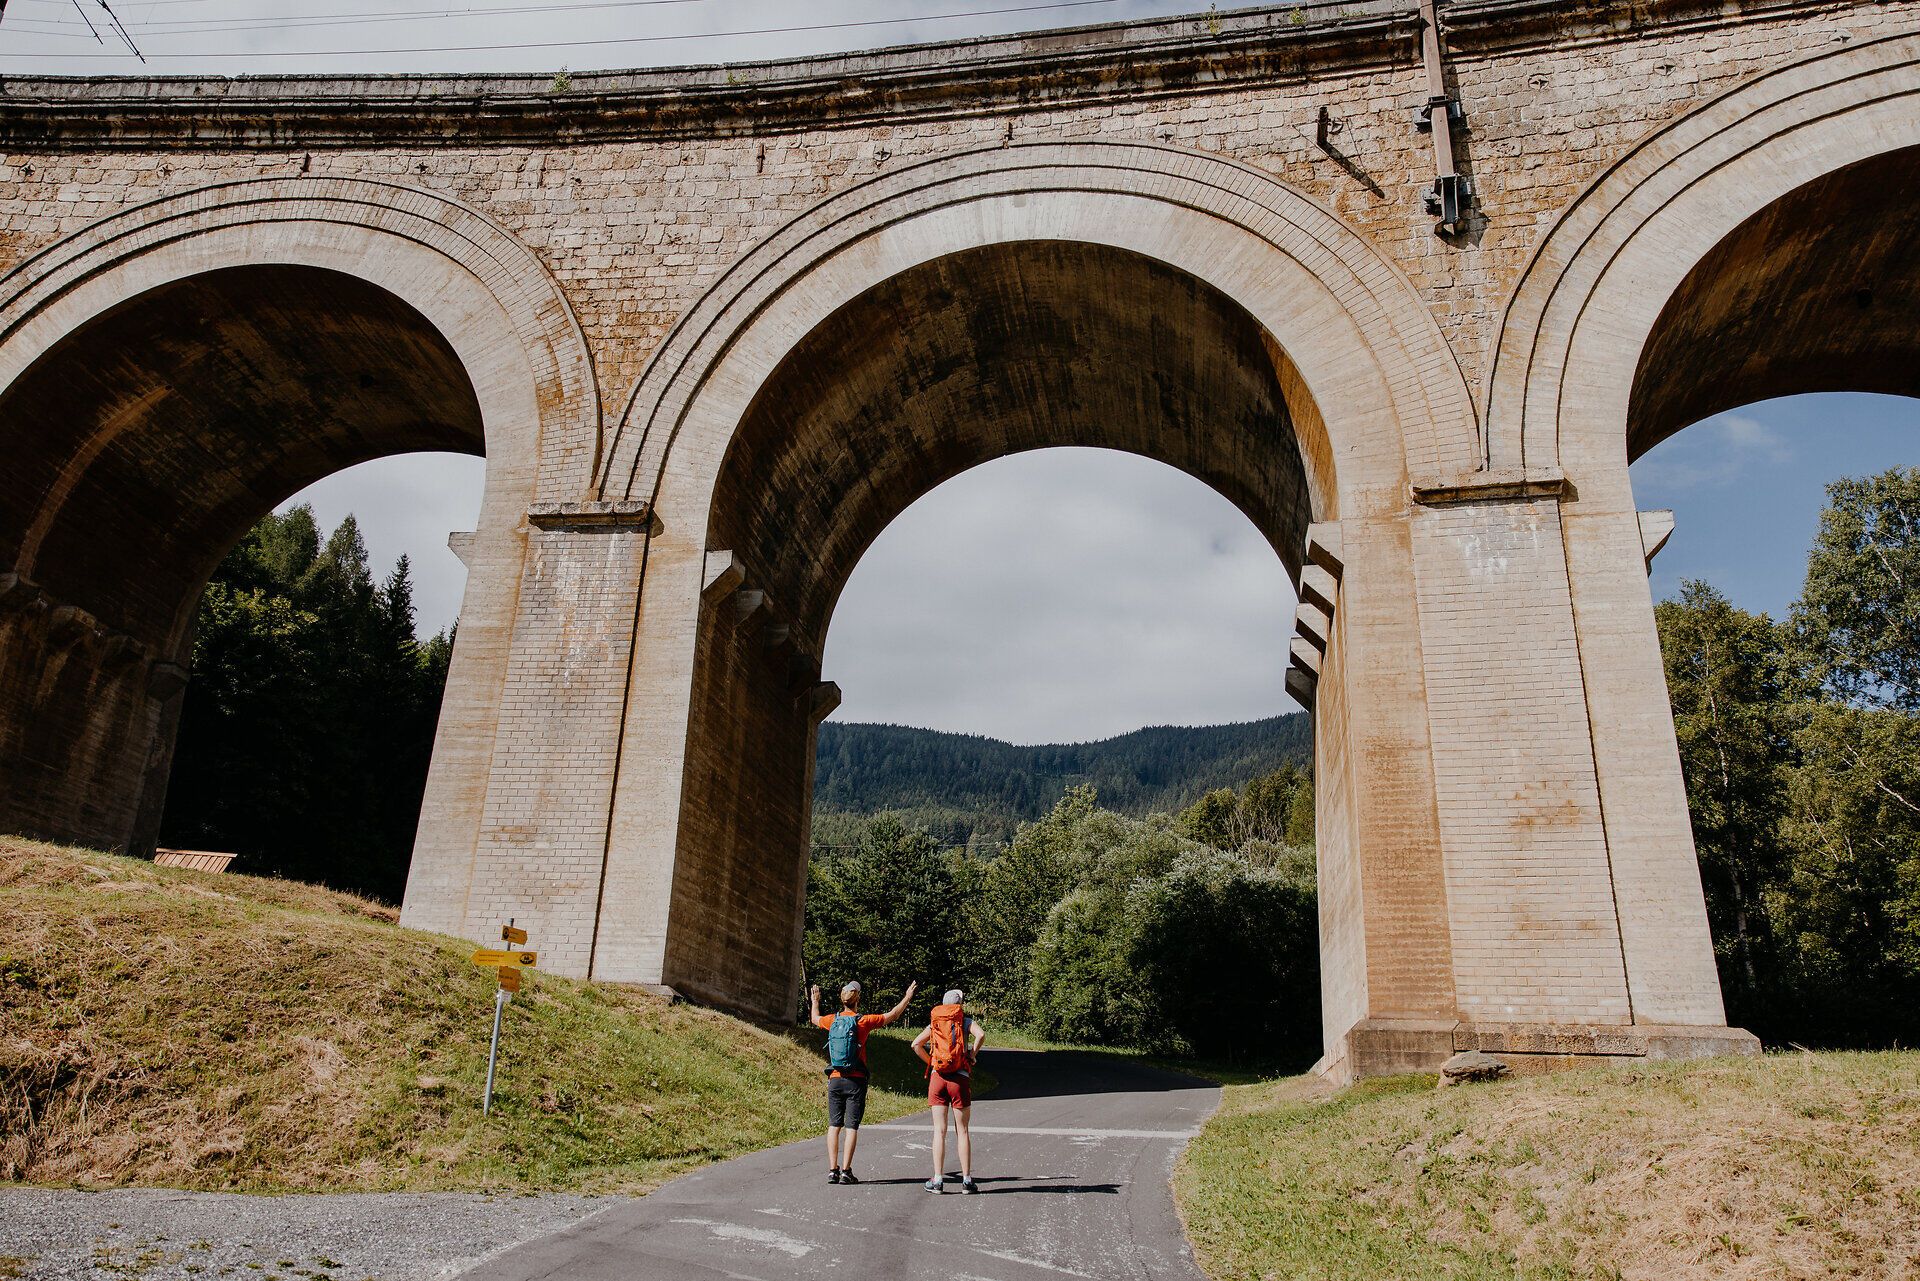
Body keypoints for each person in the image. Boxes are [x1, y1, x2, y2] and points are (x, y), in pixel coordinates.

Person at [810, 977, 916, 1184]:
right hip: (856, 1080)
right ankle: (846, 1172)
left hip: (835, 1079)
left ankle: (832, 1170)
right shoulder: (863, 1021)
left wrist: (815, 1000)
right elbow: (892, 1015)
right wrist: (907, 997)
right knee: (851, 1127)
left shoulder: (833, 1020)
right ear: (857, 999)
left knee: (834, 1125)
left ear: (843, 1000)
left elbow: (815, 1018)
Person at [911, 988, 986, 1194]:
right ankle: (967, 1181)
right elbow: (981, 1035)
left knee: (939, 1131)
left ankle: (937, 1180)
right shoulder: (965, 1021)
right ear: (959, 1004)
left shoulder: (935, 1021)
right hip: (959, 1079)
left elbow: (916, 1044)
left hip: (938, 1078)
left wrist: (932, 1061)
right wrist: (971, 1054)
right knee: (962, 1130)